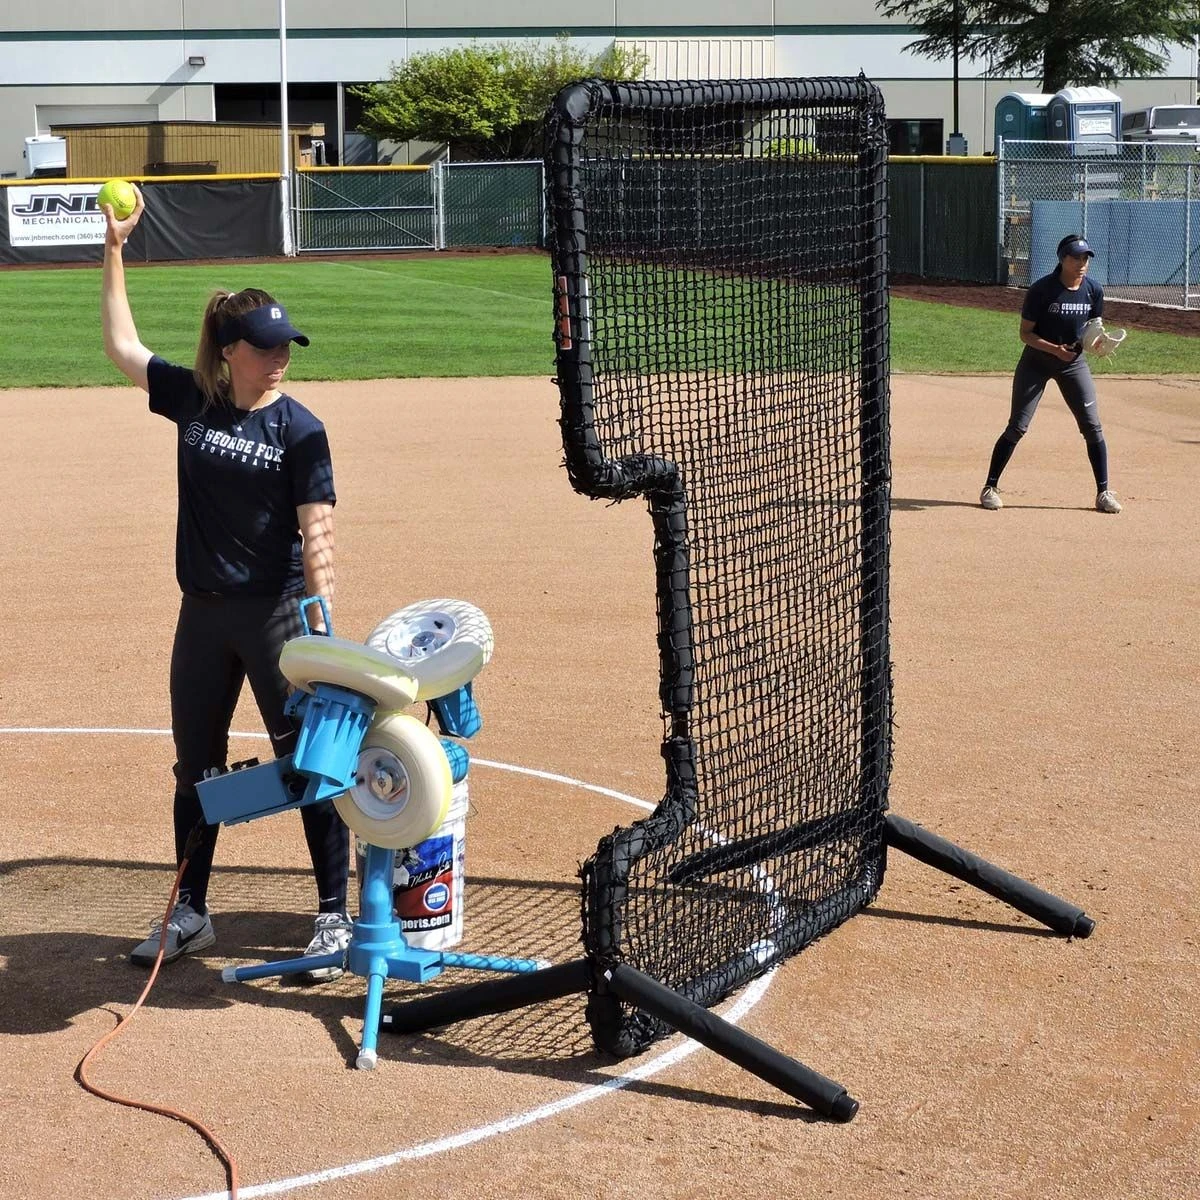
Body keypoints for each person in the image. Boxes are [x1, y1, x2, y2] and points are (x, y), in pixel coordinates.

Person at [100, 184, 352, 982]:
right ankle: (191, 910)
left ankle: (332, 919)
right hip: (202, 620)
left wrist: (322, 621)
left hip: (278, 619)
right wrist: (113, 249)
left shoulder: (301, 428)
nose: (281, 360)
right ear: (231, 349)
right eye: (268, 348)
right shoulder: (196, 400)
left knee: (311, 764)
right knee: (195, 768)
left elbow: (319, 528)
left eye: (287, 348)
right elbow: (121, 347)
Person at [980, 233, 1122, 514]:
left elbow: (1093, 327)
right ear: (1062, 259)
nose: (1081, 263)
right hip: (1037, 362)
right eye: (1075, 257)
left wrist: (1097, 343)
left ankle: (1103, 493)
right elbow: (1025, 334)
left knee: (1092, 426)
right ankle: (990, 487)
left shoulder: (1093, 290)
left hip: (1073, 364)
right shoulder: (1042, 290)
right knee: (1018, 426)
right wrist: (1055, 350)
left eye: (1085, 258)